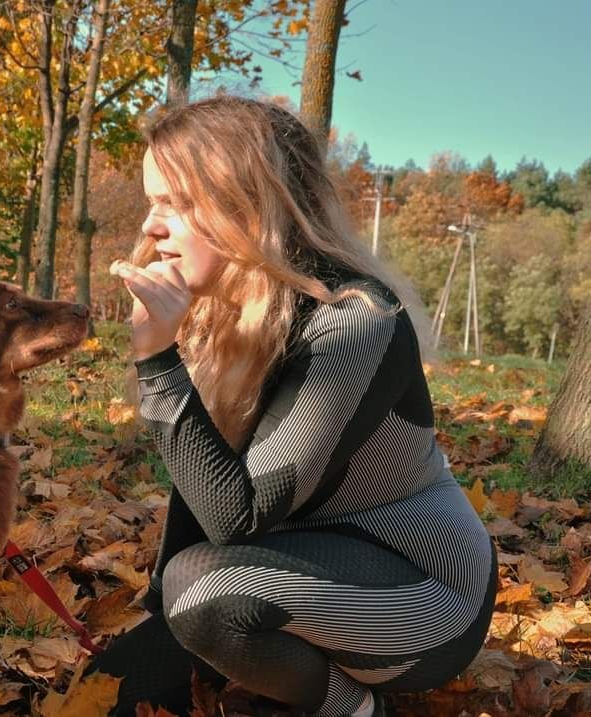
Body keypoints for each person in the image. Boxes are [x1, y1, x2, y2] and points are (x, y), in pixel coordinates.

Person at [90, 96, 496, 717]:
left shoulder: (355, 322)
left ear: (248, 204)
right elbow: (203, 493)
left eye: (176, 203)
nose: (150, 226)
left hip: (426, 596)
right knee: (120, 682)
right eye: (152, 201)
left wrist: (157, 361)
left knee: (201, 594)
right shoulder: (223, 309)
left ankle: (353, 708)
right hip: (300, 573)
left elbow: (236, 516)